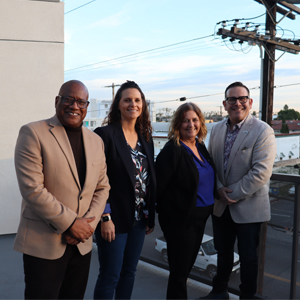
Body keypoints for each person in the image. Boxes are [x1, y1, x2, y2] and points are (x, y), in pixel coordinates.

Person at [13, 80, 110, 300]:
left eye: (81, 102)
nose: (74, 106)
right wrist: (71, 223)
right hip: (44, 243)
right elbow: (32, 189)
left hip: (81, 245)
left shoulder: (96, 141)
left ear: (86, 107)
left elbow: (102, 188)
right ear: (58, 101)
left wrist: (87, 226)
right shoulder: (33, 133)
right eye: (69, 99)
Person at [202, 81, 276, 299]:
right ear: (225, 104)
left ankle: (247, 296)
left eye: (242, 98)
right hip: (221, 206)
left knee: (248, 258)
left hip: (249, 207)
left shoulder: (263, 131)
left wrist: (228, 193)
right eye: (232, 99)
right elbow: (209, 165)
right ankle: (219, 292)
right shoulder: (215, 130)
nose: (237, 103)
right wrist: (217, 190)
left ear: (250, 102)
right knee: (223, 254)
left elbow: (261, 173)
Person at [93, 80, 156, 300]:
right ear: (118, 104)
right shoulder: (104, 135)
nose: (133, 104)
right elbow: (95, 180)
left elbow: (148, 181)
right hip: (113, 219)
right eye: (127, 99)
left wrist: (150, 214)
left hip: (139, 221)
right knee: (110, 275)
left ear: (143, 105)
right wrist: (104, 216)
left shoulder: (146, 138)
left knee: (129, 273)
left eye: (137, 100)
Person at [156, 102, 216, 299]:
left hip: (200, 220)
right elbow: (158, 188)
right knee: (180, 274)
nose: (190, 125)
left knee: (186, 269)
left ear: (200, 122)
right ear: (177, 125)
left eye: (194, 120)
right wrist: (170, 221)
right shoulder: (172, 150)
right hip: (182, 222)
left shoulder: (200, 146)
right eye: (185, 121)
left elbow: (208, 177)